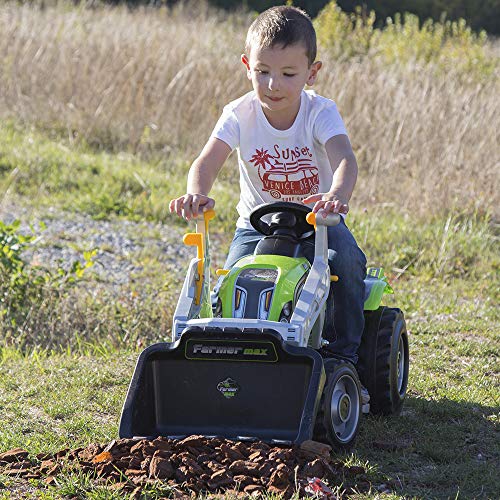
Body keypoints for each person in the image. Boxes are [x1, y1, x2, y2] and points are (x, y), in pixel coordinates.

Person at [169, 5, 367, 366]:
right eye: (262, 72)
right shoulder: (239, 114)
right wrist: (196, 191)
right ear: (247, 67)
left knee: (347, 262)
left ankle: (344, 355)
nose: (273, 85)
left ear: (312, 73)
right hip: (254, 224)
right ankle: (227, 355)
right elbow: (206, 162)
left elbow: (344, 159)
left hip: (317, 223)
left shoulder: (320, 113)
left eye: (289, 73)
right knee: (230, 283)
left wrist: (335, 196)